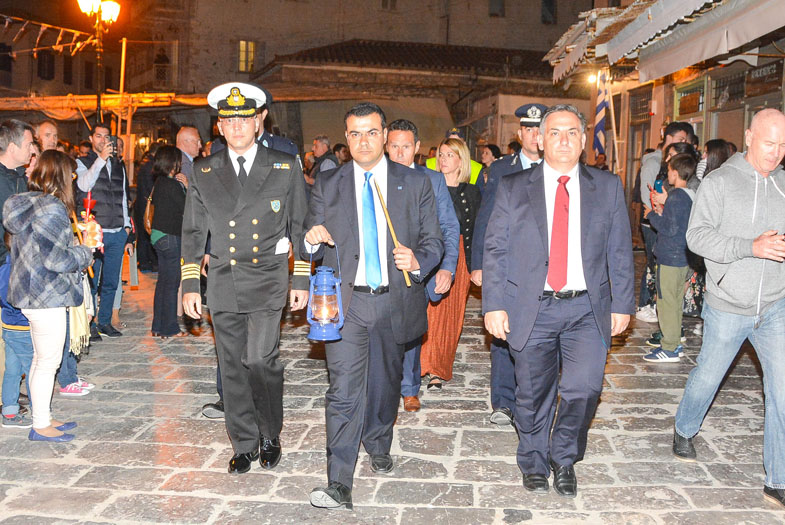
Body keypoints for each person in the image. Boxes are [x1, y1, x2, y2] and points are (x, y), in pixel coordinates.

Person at [483, 104, 634, 498]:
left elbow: (620, 249)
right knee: (533, 393)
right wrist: (494, 304)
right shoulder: (514, 187)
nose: (563, 140)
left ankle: (563, 457)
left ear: (583, 141)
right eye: (554, 133)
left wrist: (622, 304)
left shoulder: (607, 187)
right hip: (531, 306)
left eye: (572, 133)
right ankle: (534, 460)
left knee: (585, 389)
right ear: (539, 139)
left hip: (587, 308)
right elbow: (495, 248)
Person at [304, 102, 443, 509]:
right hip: (346, 303)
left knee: (384, 385)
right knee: (343, 390)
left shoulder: (414, 183)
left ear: (384, 135)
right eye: (355, 134)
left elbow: (434, 240)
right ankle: (339, 481)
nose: (363, 141)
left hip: (393, 301)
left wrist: (418, 259)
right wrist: (311, 239)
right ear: (346, 140)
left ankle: (379, 438)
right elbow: (308, 237)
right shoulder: (328, 183)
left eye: (371, 132)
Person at [181, 82, 310, 474]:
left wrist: (301, 277)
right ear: (219, 127)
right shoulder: (204, 170)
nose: (236, 126)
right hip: (224, 279)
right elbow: (193, 231)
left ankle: (269, 433)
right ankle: (243, 442)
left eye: (244, 119)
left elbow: (300, 224)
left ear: (259, 121)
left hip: (268, 279)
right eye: (228, 120)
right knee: (232, 365)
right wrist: (190, 283)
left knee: (260, 360)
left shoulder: (284, 165)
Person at [672, 109, 785, 509]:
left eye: (783, 145)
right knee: (709, 375)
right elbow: (697, 237)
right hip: (728, 304)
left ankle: (778, 478)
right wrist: (749, 247)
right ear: (750, 137)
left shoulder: (784, 184)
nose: (776, 153)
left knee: (782, 389)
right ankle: (685, 426)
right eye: (769, 143)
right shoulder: (719, 182)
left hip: (775, 305)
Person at [4, 150, 97, 442]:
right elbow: (56, 259)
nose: (74, 180)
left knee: (40, 360)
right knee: (47, 362)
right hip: (46, 295)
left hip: (29, 293)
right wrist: (86, 252)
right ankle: (41, 425)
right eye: (71, 174)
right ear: (61, 175)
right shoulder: (52, 208)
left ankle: (42, 416)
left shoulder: (26, 204)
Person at [471, 102, 547, 426]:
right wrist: (479, 263)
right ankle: (503, 401)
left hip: (546, 267)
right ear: (520, 134)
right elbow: (486, 217)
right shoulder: (502, 169)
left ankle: (535, 398)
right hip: (509, 264)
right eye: (528, 129)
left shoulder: (560, 168)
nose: (534, 135)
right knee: (503, 331)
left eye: (539, 129)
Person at [386, 118, 459, 413]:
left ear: (417, 147)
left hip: (420, 267)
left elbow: (448, 227)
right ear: (385, 146)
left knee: (411, 328)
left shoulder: (433, 180)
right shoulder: (373, 178)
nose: (399, 153)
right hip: (382, 268)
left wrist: (447, 267)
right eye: (394, 146)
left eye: (406, 147)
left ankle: (409, 389)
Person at [420, 138, 480, 390]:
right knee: (429, 312)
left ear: (461, 160)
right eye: (441, 155)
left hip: (461, 256)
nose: (443, 159)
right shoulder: (427, 186)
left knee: (452, 314)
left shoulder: (472, 192)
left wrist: (478, 265)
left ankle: (439, 368)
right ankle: (421, 364)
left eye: (449, 155)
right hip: (433, 252)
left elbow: (478, 231)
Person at [75, 122, 134, 340]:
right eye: (98, 136)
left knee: (111, 281)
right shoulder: (82, 162)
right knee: (92, 281)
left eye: (106, 136)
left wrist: (127, 226)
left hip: (117, 230)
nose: (103, 140)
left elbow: (124, 196)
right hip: (95, 232)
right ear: (91, 139)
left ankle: (105, 322)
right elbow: (84, 185)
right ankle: (89, 323)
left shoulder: (119, 165)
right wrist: (100, 159)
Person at [635, 121, 693, 324]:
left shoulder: (680, 189)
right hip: (654, 220)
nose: (684, 142)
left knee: (664, 276)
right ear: (669, 138)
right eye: (681, 139)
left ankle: (661, 313)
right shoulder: (654, 163)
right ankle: (647, 305)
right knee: (654, 266)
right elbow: (647, 193)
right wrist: (653, 212)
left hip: (663, 220)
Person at [642, 153, 697, 362]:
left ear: (675, 172)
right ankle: (674, 343)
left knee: (666, 303)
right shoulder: (689, 195)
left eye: (669, 171)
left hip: (671, 258)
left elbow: (669, 228)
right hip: (683, 256)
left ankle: (669, 347)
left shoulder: (676, 197)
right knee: (674, 301)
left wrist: (651, 215)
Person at [0, 119, 36, 428]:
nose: (32, 149)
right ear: (12, 147)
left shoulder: (18, 178)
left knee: (12, 341)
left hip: (16, 263)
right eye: (29, 144)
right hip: (3, 265)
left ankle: (10, 401)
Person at [150, 146, 188, 339]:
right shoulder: (172, 185)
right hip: (171, 237)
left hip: (158, 236)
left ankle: (158, 326)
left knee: (163, 283)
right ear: (173, 162)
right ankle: (170, 328)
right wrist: (187, 187)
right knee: (172, 284)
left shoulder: (159, 182)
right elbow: (187, 207)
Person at [133, 143, 161, 273]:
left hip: (142, 204)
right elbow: (151, 188)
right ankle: (146, 262)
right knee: (146, 234)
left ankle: (144, 261)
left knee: (144, 235)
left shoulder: (145, 163)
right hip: (146, 205)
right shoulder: (150, 166)